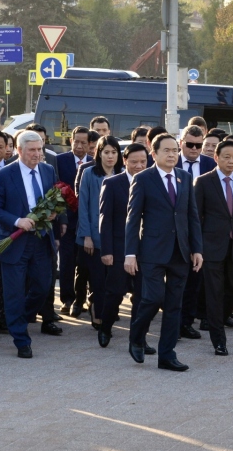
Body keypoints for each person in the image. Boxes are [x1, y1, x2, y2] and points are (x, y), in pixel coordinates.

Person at [124, 133, 203, 372]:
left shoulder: (184, 177)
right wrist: (130, 253)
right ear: (154, 153)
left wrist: (197, 248)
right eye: (166, 151)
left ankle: (167, 355)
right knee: (152, 298)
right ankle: (137, 336)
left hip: (180, 251)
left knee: (174, 305)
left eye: (174, 151)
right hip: (152, 251)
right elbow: (132, 218)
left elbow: (192, 216)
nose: (172, 155)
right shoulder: (143, 179)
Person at [0, 130, 66, 359]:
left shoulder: (48, 170)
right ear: (19, 151)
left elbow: (53, 199)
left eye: (40, 149)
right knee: (14, 293)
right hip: (15, 243)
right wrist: (17, 220)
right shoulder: (4, 175)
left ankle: (18, 317)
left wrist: (53, 214)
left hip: (41, 240)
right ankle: (21, 339)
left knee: (43, 287)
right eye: (32, 150)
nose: (37, 154)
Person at [194, 140, 233, 356]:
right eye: (227, 157)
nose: (231, 161)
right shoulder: (203, 181)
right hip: (211, 247)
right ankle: (218, 339)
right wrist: (197, 248)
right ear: (216, 157)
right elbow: (196, 218)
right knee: (214, 292)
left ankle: (216, 319)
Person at [94, 143, 150, 349]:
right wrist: (106, 250)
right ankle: (105, 327)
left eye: (143, 162)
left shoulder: (152, 181)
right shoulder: (112, 183)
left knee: (143, 297)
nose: (139, 166)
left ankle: (138, 338)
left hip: (146, 250)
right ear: (124, 161)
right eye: (134, 162)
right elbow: (105, 219)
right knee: (115, 293)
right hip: (118, 249)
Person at [76, 136, 122, 332]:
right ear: (99, 153)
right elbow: (83, 206)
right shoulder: (89, 173)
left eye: (114, 152)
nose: (110, 156)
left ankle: (107, 312)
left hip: (117, 236)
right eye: (106, 152)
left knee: (114, 280)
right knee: (97, 279)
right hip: (94, 235)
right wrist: (86, 235)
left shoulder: (123, 173)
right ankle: (98, 313)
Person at [55, 126, 92, 318]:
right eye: (75, 141)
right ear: (70, 141)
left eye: (83, 142)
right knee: (67, 261)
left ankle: (82, 299)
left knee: (84, 262)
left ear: (89, 144)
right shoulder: (60, 161)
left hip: (87, 223)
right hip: (66, 221)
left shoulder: (94, 163)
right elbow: (55, 189)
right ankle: (67, 299)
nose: (79, 146)